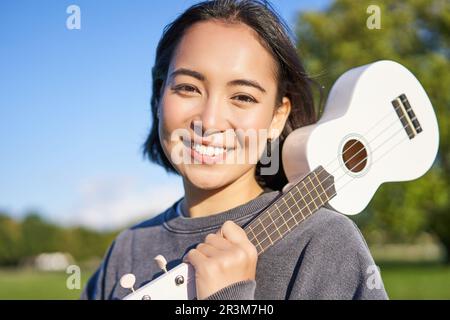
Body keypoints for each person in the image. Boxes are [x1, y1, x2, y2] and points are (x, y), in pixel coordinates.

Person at [81, 0, 388, 300]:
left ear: (277, 116)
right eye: (188, 88)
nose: (209, 121)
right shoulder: (128, 248)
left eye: (242, 96)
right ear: (160, 95)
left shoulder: (325, 241)